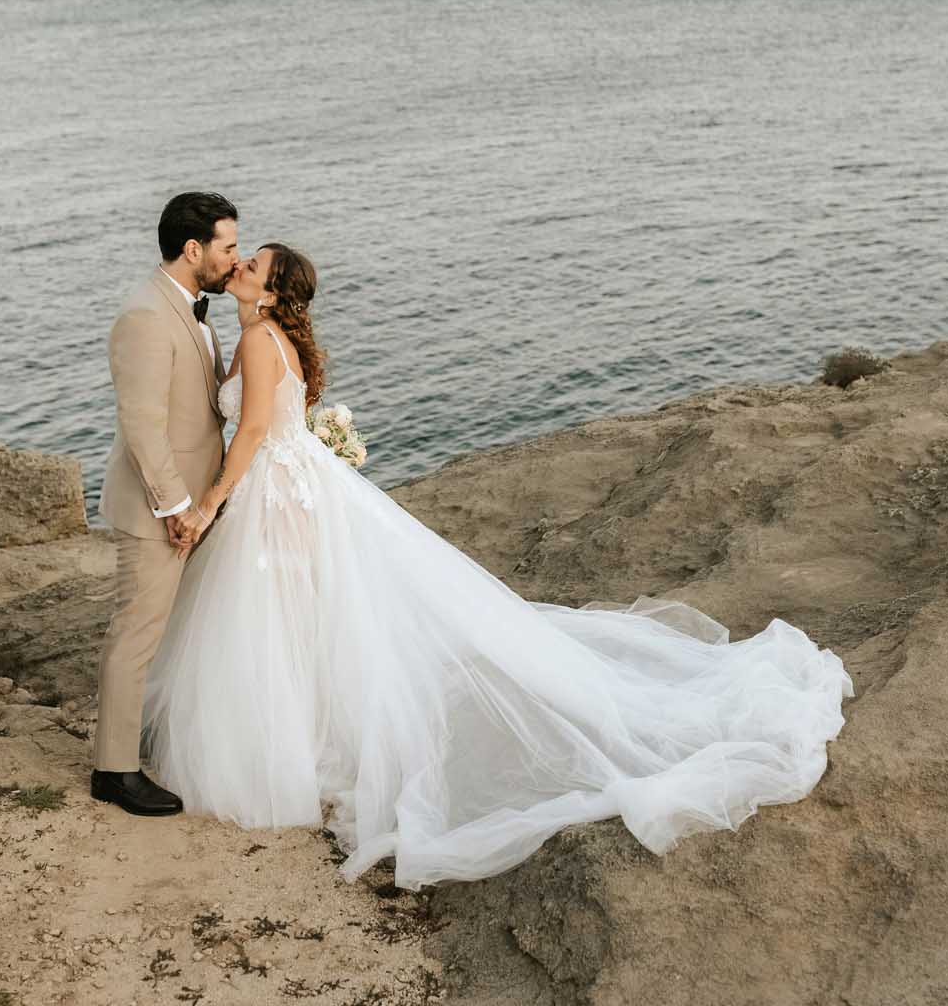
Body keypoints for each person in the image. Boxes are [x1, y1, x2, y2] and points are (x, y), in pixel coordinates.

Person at [138, 241, 854, 888]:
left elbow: (257, 428)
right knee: (296, 615)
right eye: (242, 258)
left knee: (279, 616)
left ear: (270, 291)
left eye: (253, 264)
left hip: (278, 491)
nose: (240, 266)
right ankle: (309, 737)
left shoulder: (260, 339)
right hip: (292, 483)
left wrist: (207, 505)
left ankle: (286, 754)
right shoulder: (260, 334)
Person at [89, 191, 239, 817]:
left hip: (198, 504)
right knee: (136, 633)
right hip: (159, 510)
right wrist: (178, 507)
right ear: (193, 248)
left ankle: (155, 729)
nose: (236, 258)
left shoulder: (195, 313)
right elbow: (144, 427)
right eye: (228, 247)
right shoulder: (146, 317)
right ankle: (114, 771)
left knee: (183, 627)